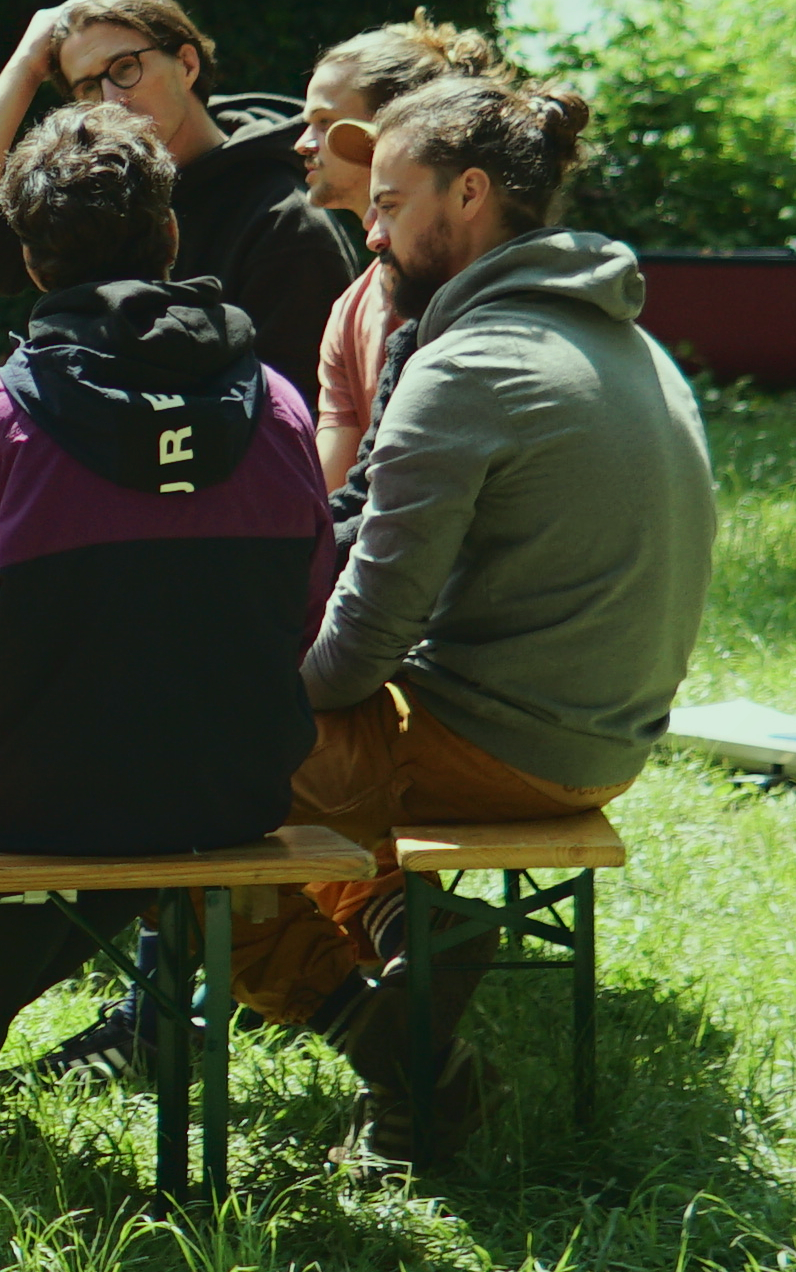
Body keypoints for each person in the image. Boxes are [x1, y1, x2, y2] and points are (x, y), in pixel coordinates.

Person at [0, 104, 336, 1109]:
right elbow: (304, 608)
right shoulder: (276, 404)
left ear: (32, 265)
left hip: (22, 798)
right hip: (227, 789)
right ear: (170, 238)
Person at [224, 75, 718, 1160]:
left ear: (469, 197)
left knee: (183, 769)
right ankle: (406, 931)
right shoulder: (622, 340)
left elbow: (355, 657)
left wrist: (238, 685)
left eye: (390, 203)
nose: (370, 231)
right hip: (603, 737)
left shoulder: (467, 366)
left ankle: (389, 1043)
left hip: (501, 746)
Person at [0, 0, 359, 390]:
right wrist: (24, 66)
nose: (113, 99)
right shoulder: (94, 197)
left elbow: (295, 422)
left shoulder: (286, 226)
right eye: (89, 88)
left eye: (125, 68)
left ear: (187, 64)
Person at [294, 16, 513, 489]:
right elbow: (330, 492)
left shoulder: (482, 283)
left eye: (325, 123)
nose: (303, 143)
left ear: (399, 125)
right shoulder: (351, 308)